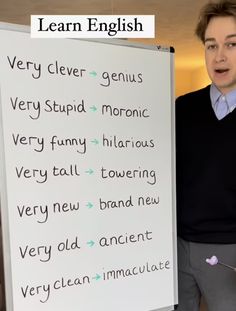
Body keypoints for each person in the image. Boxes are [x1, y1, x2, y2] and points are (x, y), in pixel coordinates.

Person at [175, 1, 236, 310]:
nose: (220, 56)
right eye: (211, 45)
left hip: (229, 252)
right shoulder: (181, 108)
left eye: (232, 44)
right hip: (174, 245)